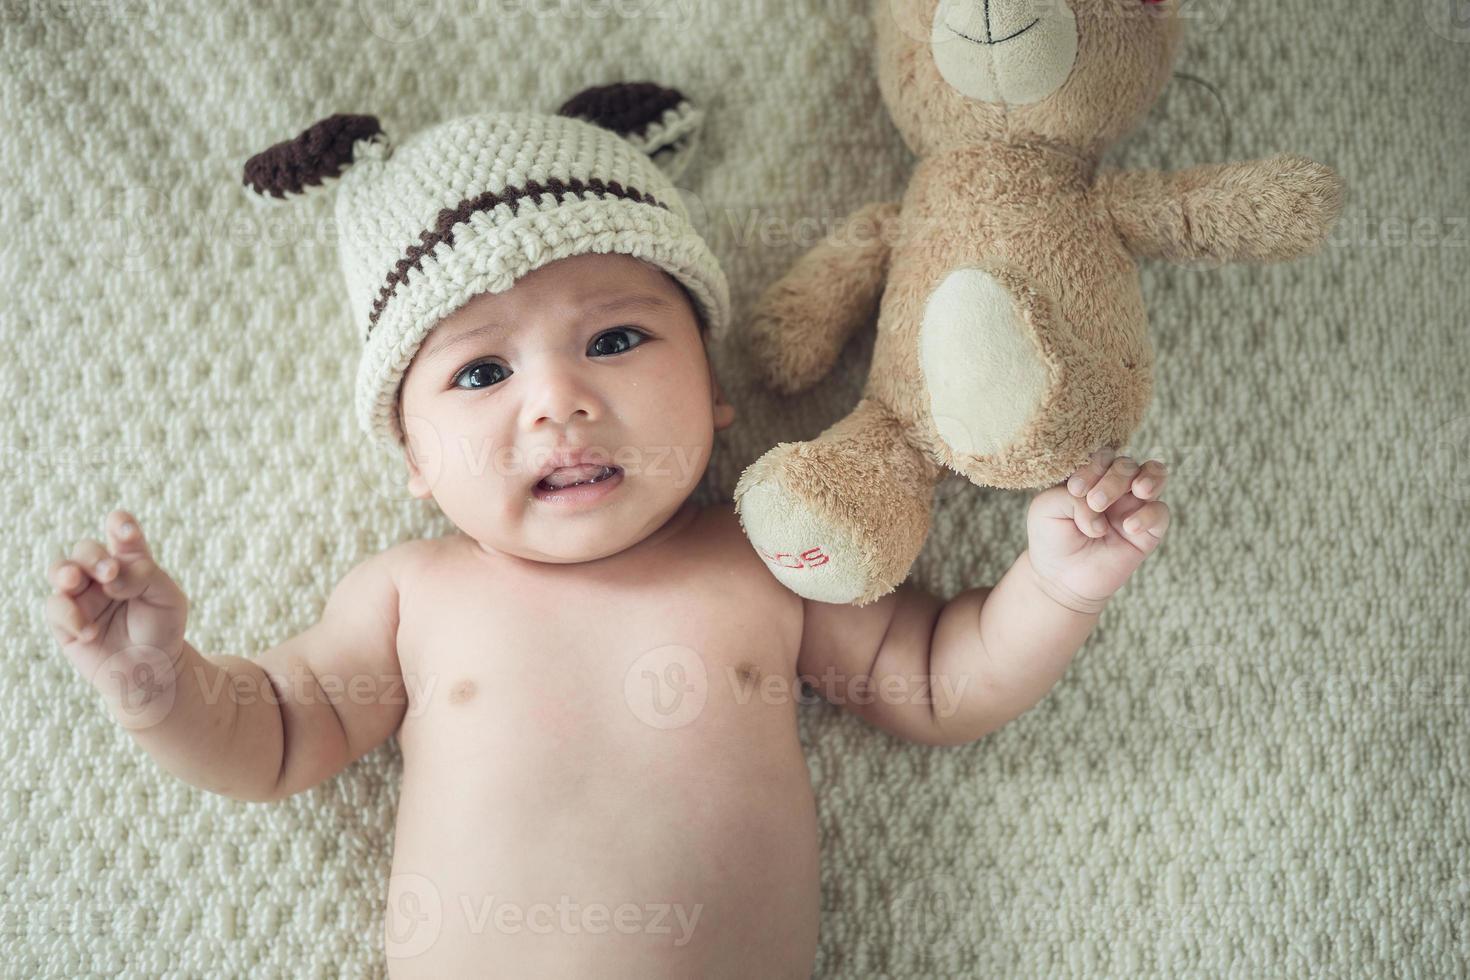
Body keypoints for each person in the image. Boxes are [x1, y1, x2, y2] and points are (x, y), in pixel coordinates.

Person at [43, 84, 1170, 979]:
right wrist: (159, 684)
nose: (559, 402)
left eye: (618, 340)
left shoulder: (764, 559)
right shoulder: (411, 594)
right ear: (416, 465)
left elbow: (938, 678)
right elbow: (278, 736)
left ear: (716, 389)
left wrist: (1054, 585)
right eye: (483, 369)